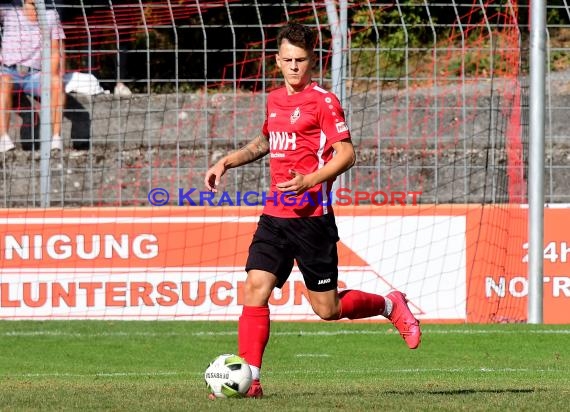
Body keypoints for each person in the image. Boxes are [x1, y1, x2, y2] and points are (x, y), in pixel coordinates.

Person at [204, 22, 421, 399]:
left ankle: (390, 304)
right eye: (287, 60)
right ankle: (251, 380)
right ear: (277, 61)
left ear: (312, 61)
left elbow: (348, 154)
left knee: (328, 308)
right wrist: (228, 161)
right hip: (275, 216)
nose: (293, 67)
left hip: (312, 220)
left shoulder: (323, 101)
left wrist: (311, 179)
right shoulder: (273, 99)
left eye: (300, 60)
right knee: (255, 288)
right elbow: (265, 142)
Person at [0, 0, 66, 152]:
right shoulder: (8, 10)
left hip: (35, 74)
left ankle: (56, 138)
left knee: (56, 82)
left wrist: (50, 74)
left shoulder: (51, 15)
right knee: (4, 81)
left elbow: (56, 50)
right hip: (9, 70)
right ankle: (3, 138)